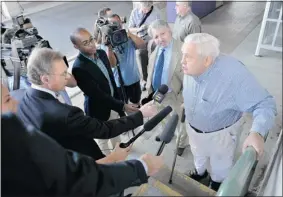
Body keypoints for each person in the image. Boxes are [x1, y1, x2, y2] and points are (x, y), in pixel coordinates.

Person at [1, 84, 164, 197]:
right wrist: (139, 167)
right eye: (7, 99)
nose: (15, 102)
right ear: (46, 79)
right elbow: (75, 176)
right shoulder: (17, 142)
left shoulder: (25, 97)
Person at [17, 48, 157, 161]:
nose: (67, 77)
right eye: (63, 74)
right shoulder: (65, 114)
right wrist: (140, 114)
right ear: (45, 79)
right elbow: (104, 129)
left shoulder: (24, 97)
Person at [181, 33, 277, 191]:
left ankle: (216, 185)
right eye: (183, 54)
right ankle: (200, 173)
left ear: (207, 60)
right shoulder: (190, 68)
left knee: (221, 167)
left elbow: (265, 103)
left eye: (188, 57)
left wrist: (257, 132)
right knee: (198, 156)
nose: (182, 61)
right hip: (193, 129)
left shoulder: (233, 76)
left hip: (220, 136)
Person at [70, 28, 142, 153]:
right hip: (98, 110)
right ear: (76, 46)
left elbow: (112, 80)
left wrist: (119, 103)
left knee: (115, 131)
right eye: (85, 43)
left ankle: (118, 151)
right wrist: (122, 105)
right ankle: (109, 162)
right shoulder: (79, 68)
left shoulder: (102, 54)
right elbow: (98, 95)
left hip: (113, 104)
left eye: (91, 39)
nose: (92, 44)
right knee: (103, 141)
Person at [145, 19, 188, 156]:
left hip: (175, 95)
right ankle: (165, 132)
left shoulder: (183, 50)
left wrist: (184, 99)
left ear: (169, 30)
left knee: (180, 122)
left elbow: (190, 79)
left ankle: (181, 143)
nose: (160, 39)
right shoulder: (154, 47)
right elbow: (151, 68)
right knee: (161, 116)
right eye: (156, 36)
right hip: (158, 93)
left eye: (162, 34)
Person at [100, 14, 145, 105]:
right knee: (124, 106)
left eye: (117, 23)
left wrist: (129, 34)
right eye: (112, 24)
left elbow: (142, 45)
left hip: (134, 79)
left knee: (136, 103)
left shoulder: (128, 37)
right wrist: (109, 47)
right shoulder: (106, 41)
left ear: (121, 23)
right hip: (119, 83)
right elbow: (112, 64)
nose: (115, 26)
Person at [128, 0, 161, 91]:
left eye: (147, 10)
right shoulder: (134, 12)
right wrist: (139, 29)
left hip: (151, 38)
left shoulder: (157, 12)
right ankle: (144, 80)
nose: (145, 11)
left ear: (151, 6)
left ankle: (154, 79)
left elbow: (159, 28)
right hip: (140, 38)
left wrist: (151, 30)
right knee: (140, 54)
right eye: (143, 9)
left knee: (155, 55)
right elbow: (130, 29)